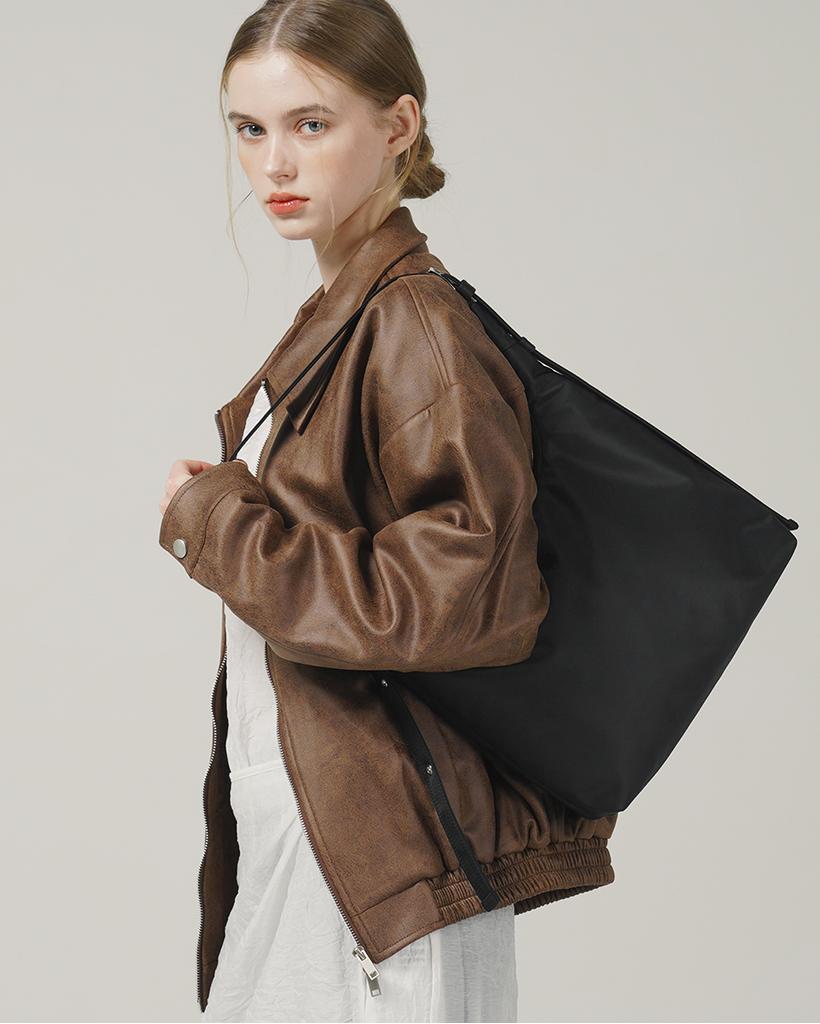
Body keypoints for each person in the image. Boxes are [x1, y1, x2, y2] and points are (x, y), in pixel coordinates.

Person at [159, 2, 616, 1021]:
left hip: (375, 860)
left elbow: (467, 596)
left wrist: (217, 522)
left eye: (311, 124)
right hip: (319, 833)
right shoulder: (337, 323)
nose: (274, 162)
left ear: (398, 124)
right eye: (250, 128)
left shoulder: (414, 323)